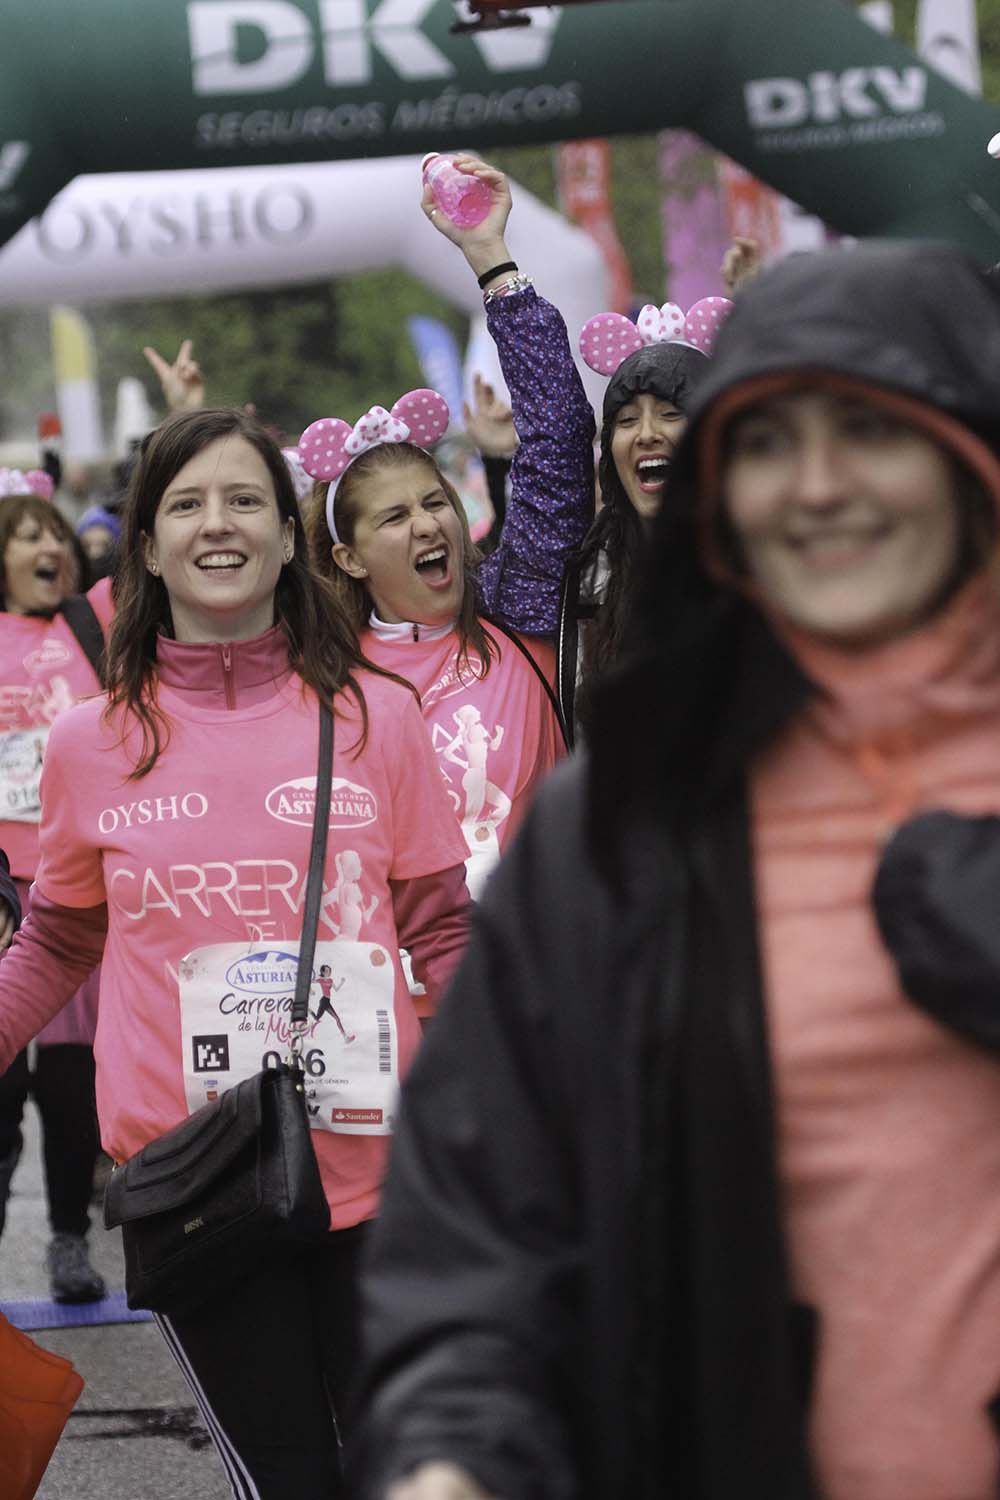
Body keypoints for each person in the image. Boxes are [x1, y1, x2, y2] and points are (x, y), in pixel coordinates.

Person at [352, 241, 1000, 1500]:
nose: (815, 486)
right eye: (763, 441)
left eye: (866, 429)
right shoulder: (626, 822)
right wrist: (455, 1459)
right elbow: (480, 1225)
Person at [0, 407, 470, 1500]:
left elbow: (442, 927)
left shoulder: (375, 715)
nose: (219, 524)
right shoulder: (91, 741)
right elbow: (60, 937)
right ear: (147, 549)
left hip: (384, 1178)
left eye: (246, 498)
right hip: (198, 1189)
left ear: (287, 535)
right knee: (292, 1481)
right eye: (187, 504)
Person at [421, 157, 729, 740]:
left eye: (671, 414)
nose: (646, 434)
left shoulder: (772, 557)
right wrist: (489, 255)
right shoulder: (569, 575)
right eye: (626, 420)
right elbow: (558, 428)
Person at [303, 386, 566, 904]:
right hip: (406, 970)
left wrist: (505, 301)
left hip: (543, 959)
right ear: (350, 558)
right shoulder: (323, 682)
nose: (426, 524)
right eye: (395, 517)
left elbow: (558, 475)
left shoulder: (521, 632)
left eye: (434, 502)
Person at [0, 476, 112, 1302]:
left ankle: (70, 1238)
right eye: (27, 535)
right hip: (2, 889)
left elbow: (156, 542)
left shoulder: (92, 621)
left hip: (79, 883)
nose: (50, 548)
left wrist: (180, 427)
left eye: (57, 534)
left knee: (74, 1081)